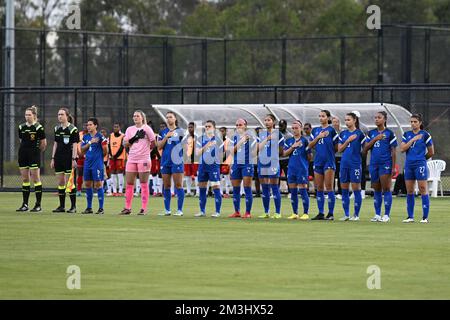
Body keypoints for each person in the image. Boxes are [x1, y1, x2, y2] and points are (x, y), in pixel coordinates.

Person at [118, 110, 156, 215]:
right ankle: (127, 208)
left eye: (137, 116)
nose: (135, 118)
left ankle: (143, 208)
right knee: (129, 183)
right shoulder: (130, 129)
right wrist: (135, 138)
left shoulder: (147, 128)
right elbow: (125, 144)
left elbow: (153, 142)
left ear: (142, 118)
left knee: (143, 183)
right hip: (132, 158)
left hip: (143, 159)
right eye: (134, 116)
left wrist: (147, 152)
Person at [364, 111, 398, 222]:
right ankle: (377, 214)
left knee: (386, 188)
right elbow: (365, 149)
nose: (376, 119)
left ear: (385, 119)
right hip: (374, 164)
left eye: (379, 117)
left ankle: (386, 215)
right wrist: (375, 139)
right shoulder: (371, 133)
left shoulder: (390, 133)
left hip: (386, 164)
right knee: (376, 189)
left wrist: (393, 167)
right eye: (375, 117)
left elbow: (393, 151)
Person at [400, 114, 434, 223]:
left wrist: (422, 160)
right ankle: (410, 217)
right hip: (409, 165)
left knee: (423, 189)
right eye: (411, 122)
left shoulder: (425, 135)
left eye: (415, 121)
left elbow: (431, 152)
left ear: (420, 123)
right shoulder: (407, 134)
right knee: (409, 190)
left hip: (420, 165)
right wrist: (413, 140)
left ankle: (425, 217)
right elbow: (402, 149)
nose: (413, 124)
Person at [308, 110, 339, 220]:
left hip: (328, 161)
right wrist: (318, 137)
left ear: (328, 118)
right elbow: (310, 145)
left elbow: (337, 147)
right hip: (318, 161)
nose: (321, 118)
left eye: (323, 116)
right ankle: (320, 213)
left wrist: (328, 153)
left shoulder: (331, 130)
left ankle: (330, 213)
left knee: (329, 187)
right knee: (319, 187)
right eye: (320, 116)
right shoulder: (315, 130)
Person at [16, 106, 47, 212]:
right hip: (23, 155)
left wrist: (36, 152)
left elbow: (43, 143)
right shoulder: (21, 127)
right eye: (26, 114)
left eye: (29, 114)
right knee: (25, 179)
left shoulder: (38, 127)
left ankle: (38, 205)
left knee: (36, 179)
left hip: (34, 155)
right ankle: (25, 204)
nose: (27, 116)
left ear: (34, 115)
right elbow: (21, 140)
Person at [337, 113, 366, 221]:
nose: (346, 122)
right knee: (344, 189)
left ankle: (356, 215)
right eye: (345, 120)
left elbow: (365, 149)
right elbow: (339, 149)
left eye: (349, 119)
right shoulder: (343, 134)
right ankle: (346, 214)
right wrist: (348, 141)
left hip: (355, 164)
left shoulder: (360, 134)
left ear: (354, 120)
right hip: (344, 164)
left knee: (356, 189)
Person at [51, 108, 79, 213]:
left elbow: (75, 145)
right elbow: (55, 144)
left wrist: (74, 159)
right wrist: (53, 158)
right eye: (58, 114)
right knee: (60, 182)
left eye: (62, 114)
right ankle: (61, 206)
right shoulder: (56, 128)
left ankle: (73, 207)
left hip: (68, 158)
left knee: (69, 183)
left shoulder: (73, 129)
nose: (60, 116)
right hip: (58, 158)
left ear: (67, 116)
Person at [157, 112, 185, 216]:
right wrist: (166, 137)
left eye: (170, 117)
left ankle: (179, 210)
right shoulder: (163, 132)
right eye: (167, 117)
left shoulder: (181, 131)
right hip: (165, 161)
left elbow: (186, 146)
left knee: (178, 185)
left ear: (175, 119)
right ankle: (167, 209)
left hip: (176, 161)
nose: (168, 119)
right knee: (167, 185)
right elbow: (159, 146)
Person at [283, 120, 311, 220]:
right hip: (291, 168)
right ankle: (295, 213)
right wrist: (293, 147)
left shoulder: (305, 141)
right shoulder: (289, 141)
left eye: (296, 128)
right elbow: (285, 154)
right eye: (293, 128)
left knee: (303, 190)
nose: (294, 130)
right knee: (293, 191)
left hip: (302, 169)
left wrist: (304, 165)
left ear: (301, 128)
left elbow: (309, 156)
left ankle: (306, 213)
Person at [257, 114, 285, 219]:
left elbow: (281, 151)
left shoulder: (279, 134)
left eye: (268, 120)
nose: (266, 122)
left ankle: (277, 212)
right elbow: (257, 148)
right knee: (264, 187)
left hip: (273, 162)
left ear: (273, 122)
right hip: (262, 162)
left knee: (274, 187)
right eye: (265, 120)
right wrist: (267, 139)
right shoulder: (261, 134)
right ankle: (266, 212)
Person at [228, 118, 257, 219]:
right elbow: (231, 151)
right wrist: (242, 141)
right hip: (236, 164)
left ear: (245, 126)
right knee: (235, 189)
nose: (238, 127)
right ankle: (237, 212)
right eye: (237, 125)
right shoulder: (233, 137)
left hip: (247, 164)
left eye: (240, 125)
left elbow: (254, 152)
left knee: (247, 188)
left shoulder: (251, 137)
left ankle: (248, 212)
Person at [194, 120, 223, 217]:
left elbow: (222, 155)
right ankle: (202, 211)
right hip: (202, 166)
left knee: (216, 187)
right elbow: (197, 153)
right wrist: (207, 145)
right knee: (202, 188)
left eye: (209, 126)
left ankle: (217, 211)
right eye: (205, 126)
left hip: (213, 166)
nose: (207, 128)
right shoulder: (200, 139)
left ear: (214, 128)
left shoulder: (218, 140)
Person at [80, 118, 108, 214]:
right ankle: (89, 208)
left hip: (97, 164)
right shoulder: (86, 137)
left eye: (90, 124)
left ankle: (101, 208)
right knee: (87, 184)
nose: (88, 126)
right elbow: (82, 150)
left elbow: (105, 150)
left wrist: (99, 158)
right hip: (87, 163)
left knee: (98, 184)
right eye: (87, 125)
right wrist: (90, 142)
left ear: (95, 125)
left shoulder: (100, 137)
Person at [108, 122, 126, 196]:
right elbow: (109, 146)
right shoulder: (110, 135)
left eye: (117, 127)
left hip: (119, 157)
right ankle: (114, 190)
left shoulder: (123, 136)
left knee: (120, 173)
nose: (115, 128)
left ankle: (121, 190)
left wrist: (115, 155)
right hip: (112, 157)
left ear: (119, 128)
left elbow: (122, 147)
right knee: (113, 173)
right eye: (114, 127)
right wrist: (111, 155)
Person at [278, 119, 293, 195]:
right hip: (278, 158)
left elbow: (291, 146)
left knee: (288, 175)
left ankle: (290, 191)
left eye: (282, 126)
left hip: (286, 158)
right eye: (280, 125)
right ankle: (275, 192)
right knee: (276, 175)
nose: (281, 127)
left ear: (286, 126)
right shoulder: (276, 134)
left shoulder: (289, 135)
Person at [184, 122, 199, 197]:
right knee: (187, 175)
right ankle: (189, 191)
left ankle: (197, 192)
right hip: (187, 159)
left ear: (194, 127)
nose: (190, 129)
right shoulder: (185, 137)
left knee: (196, 175)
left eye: (191, 127)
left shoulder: (197, 137)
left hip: (195, 159)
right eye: (189, 127)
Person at [219, 126, 232, 198]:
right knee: (219, 177)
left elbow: (228, 151)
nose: (221, 132)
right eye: (220, 131)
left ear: (226, 131)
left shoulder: (228, 141)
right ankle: (220, 192)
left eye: (223, 131)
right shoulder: (218, 140)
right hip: (219, 161)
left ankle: (227, 192)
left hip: (226, 161)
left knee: (227, 177)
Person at [332, 116, 342, 198]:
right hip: (332, 157)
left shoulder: (342, 133)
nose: (335, 124)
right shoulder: (330, 133)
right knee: (332, 174)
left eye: (336, 122)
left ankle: (340, 193)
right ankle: (331, 193)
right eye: (334, 122)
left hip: (341, 156)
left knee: (340, 175)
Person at [76, 123, 87, 196]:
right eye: (84, 125)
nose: (85, 127)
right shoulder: (79, 134)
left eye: (87, 125)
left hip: (88, 157)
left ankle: (89, 190)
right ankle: (79, 190)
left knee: (88, 174)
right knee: (80, 173)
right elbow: (77, 144)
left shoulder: (91, 135)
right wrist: (78, 153)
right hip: (80, 156)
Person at [101, 128, 113, 196]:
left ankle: (109, 190)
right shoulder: (99, 140)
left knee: (108, 175)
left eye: (104, 132)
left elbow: (108, 151)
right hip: (100, 160)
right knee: (101, 176)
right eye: (101, 132)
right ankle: (101, 190)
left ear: (105, 134)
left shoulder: (107, 141)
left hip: (106, 160)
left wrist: (109, 159)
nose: (102, 134)